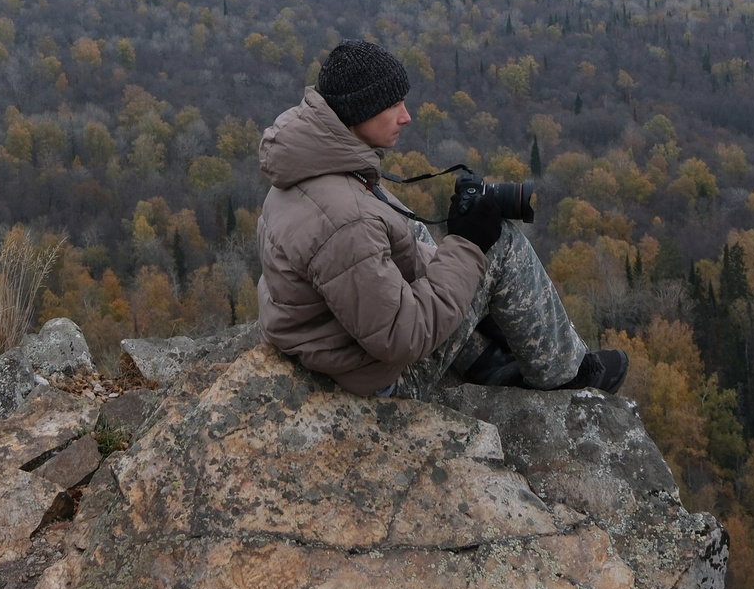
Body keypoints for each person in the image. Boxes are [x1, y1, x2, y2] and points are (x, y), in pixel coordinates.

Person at [255, 38, 627, 397]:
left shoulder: (306, 163)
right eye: (394, 105)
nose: (407, 116)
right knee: (499, 244)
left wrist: (459, 252)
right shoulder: (347, 222)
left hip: (331, 336)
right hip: (376, 377)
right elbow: (402, 337)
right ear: (359, 110)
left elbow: (364, 252)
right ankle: (564, 373)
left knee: (411, 226)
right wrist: (468, 246)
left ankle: (480, 357)